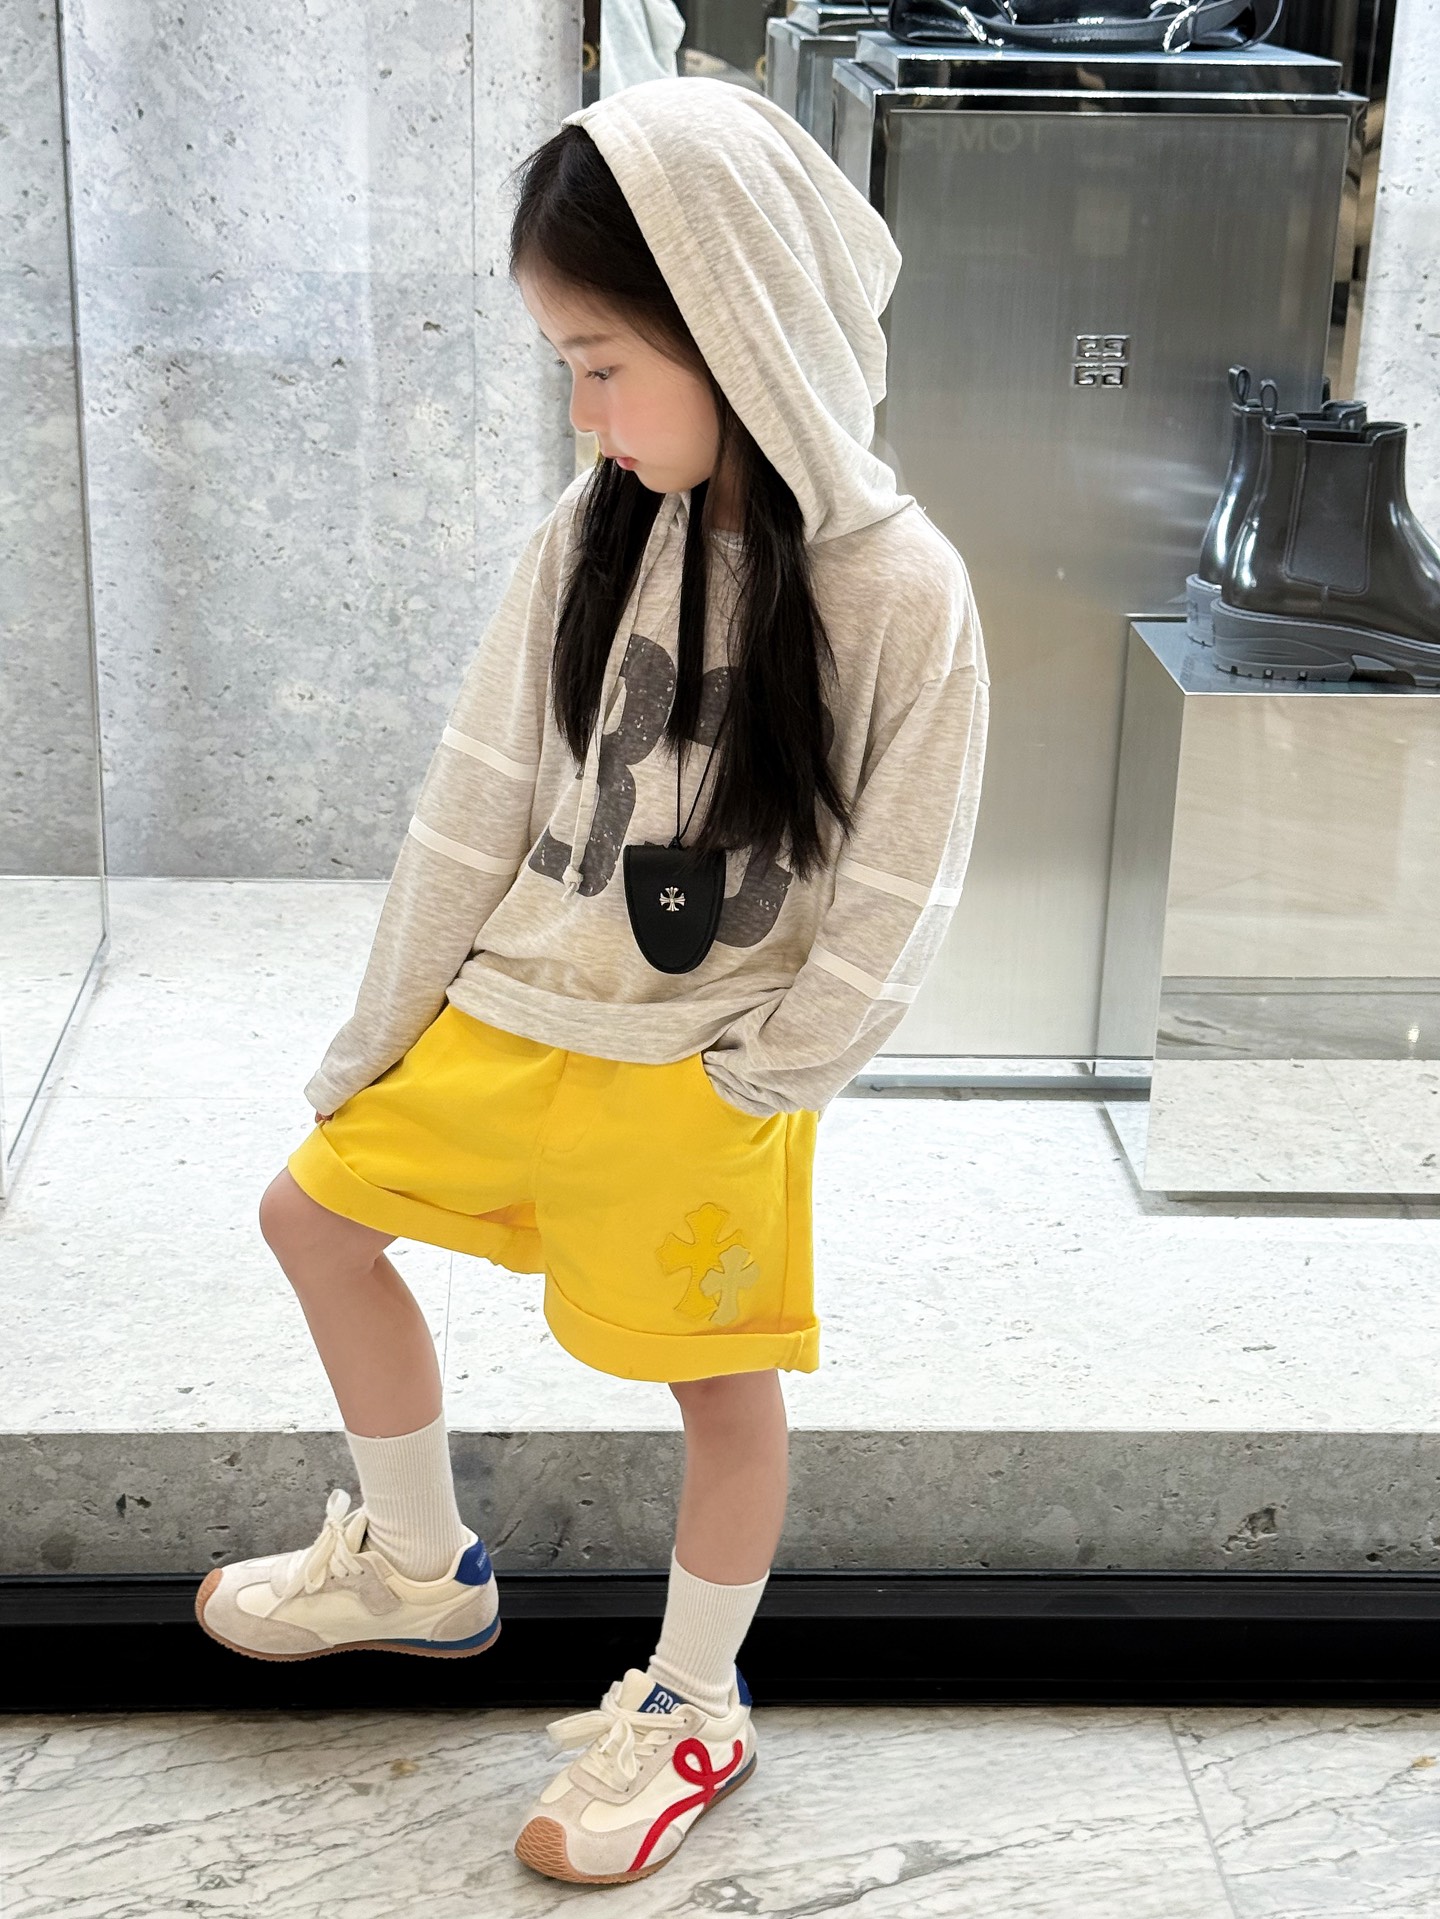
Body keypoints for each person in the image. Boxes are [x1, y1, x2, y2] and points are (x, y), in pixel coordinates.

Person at [193, 76, 989, 1886]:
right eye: (568, 364)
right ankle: (419, 1567)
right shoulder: (592, 529)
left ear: (741, 328)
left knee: (720, 1387)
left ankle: (696, 1704)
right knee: (312, 1218)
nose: (584, 409)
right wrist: (378, 1034)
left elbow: (902, 886)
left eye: (604, 364)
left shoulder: (900, 589)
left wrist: (764, 1077)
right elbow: (478, 799)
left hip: (697, 1069)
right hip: (508, 1019)